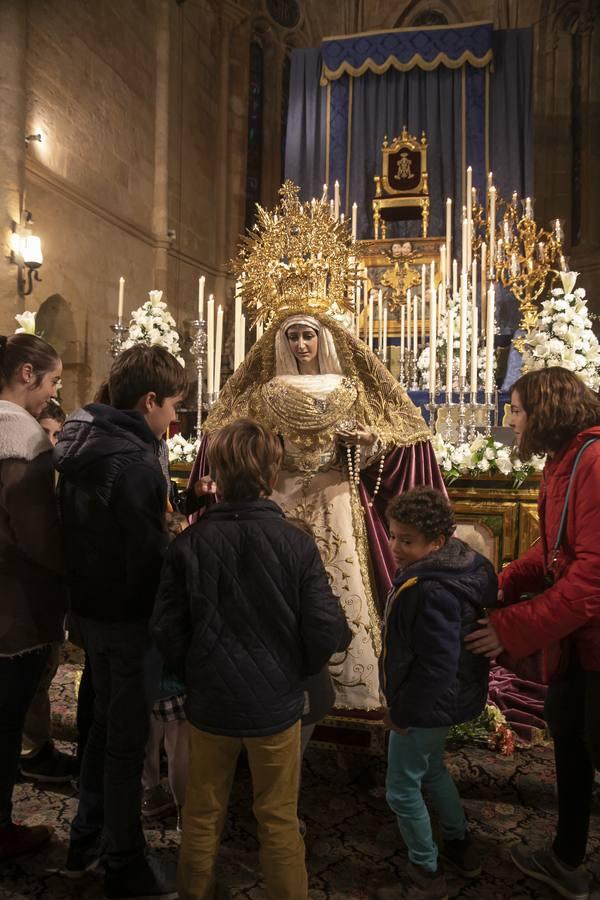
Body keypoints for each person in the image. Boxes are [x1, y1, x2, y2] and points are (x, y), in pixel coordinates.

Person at [189, 311, 444, 713]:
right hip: (282, 494)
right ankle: (274, 672)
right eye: (293, 337)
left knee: (340, 578)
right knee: (276, 583)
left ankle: (349, 687)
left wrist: (365, 441)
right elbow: (248, 440)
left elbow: (383, 441)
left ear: (322, 338)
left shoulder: (348, 388)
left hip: (335, 496)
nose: (301, 345)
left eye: (307, 336)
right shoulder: (269, 391)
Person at [152, 418, 352, 900]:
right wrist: (295, 670)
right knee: (279, 817)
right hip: (275, 703)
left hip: (211, 702)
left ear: (216, 475)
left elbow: (166, 629)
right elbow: (328, 629)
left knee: (201, 815)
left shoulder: (190, 543)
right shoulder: (295, 542)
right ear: (271, 474)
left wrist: (195, 672)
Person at [54, 344, 186, 899]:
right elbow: (146, 555)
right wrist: (178, 542)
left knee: (104, 729)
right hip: (130, 618)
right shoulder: (132, 461)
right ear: (150, 400)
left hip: (92, 610)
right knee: (125, 743)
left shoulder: (85, 438)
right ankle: (124, 861)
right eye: (173, 405)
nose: (174, 419)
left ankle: (85, 841)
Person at [465, 367, 600, 900]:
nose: (511, 420)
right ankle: (566, 858)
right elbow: (554, 548)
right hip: (580, 640)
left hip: (594, 637)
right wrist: (499, 583)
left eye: (517, 410)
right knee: (566, 730)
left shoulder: (593, 461)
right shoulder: (565, 459)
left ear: (544, 412)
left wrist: (510, 627)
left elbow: (591, 578)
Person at [376, 487, 496, 900]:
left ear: (437, 542)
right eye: (393, 536)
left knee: (401, 787)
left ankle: (425, 873)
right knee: (431, 770)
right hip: (441, 702)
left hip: (424, 706)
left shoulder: (431, 589)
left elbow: (436, 668)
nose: (394, 547)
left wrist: (402, 713)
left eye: (407, 540)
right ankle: (459, 842)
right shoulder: (456, 567)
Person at [0, 333, 67, 860]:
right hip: (14, 606)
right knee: (5, 723)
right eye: (53, 382)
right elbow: (36, 535)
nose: (54, 393)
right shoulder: (19, 435)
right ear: (27, 374)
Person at [18, 399, 75, 785]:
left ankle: (34, 745)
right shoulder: (26, 473)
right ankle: (32, 751)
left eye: (58, 435)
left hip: (50, 592)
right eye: (46, 433)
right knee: (33, 676)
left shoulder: (57, 474)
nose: (52, 443)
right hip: (30, 592)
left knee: (45, 668)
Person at [142, 511, 189, 831]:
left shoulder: (140, 573)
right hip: (174, 676)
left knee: (148, 739)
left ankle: (150, 793)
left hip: (144, 674)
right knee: (179, 748)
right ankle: (184, 808)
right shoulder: (179, 581)